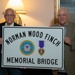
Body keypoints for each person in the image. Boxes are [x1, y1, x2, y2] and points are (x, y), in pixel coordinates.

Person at [52, 7, 75, 75]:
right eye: (59, 15)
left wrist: (71, 42)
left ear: (68, 16)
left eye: (64, 15)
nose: (61, 17)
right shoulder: (52, 28)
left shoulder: (74, 27)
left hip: (71, 68)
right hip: (56, 69)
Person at [0, 8, 22, 75]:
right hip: (1, 58)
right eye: (7, 15)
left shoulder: (20, 28)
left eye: (11, 15)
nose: (9, 17)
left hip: (15, 59)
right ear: (4, 16)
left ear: (14, 16)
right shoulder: (0, 26)